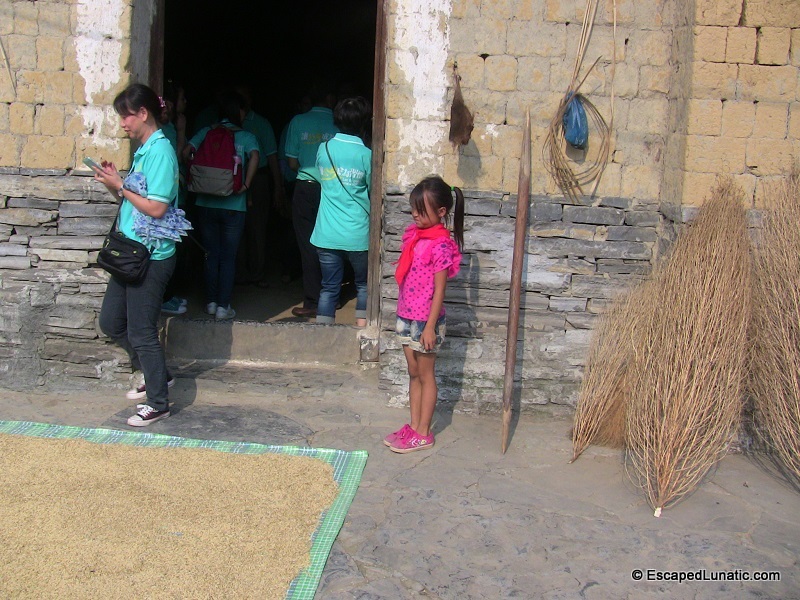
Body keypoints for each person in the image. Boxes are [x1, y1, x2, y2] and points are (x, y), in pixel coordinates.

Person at [91, 83, 180, 427]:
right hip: (131, 254)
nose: (123, 124)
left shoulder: (160, 152)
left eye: (126, 116)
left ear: (143, 114)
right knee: (111, 322)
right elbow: (137, 205)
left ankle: (158, 402)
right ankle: (157, 372)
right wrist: (118, 184)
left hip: (151, 257)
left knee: (142, 332)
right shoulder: (146, 150)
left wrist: (120, 187)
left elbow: (156, 208)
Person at [385, 176, 465, 453]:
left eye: (422, 211)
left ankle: (423, 431)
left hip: (425, 321)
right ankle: (413, 424)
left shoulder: (440, 245)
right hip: (407, 316)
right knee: (413, 372)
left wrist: (430, 326)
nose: (416, 216)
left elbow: (439, 291)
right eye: (414, 210)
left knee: (426, 374)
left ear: (441, 212)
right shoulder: (416, 238)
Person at [184, 90, 260, 320]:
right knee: (228, 256)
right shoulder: (246, 137)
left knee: (211, 254)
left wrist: (196, 177)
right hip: (233, 204)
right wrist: (246, 185)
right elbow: (255, 156)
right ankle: (223, 306)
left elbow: (186, 151)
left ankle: (210, 302)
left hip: (205, 201)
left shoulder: (207, 131)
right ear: (238, 112)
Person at [311, 96, 372, 327]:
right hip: (358, 233)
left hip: (327, 232)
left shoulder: (323, 149)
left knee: (329, 287)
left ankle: (324, 335)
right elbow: (373, 191)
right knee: (364, 286)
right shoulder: (367, 155)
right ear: (363, 122)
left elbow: (321, 179)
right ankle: (361, 336)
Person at [284, 79, 339, 318]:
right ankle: (332, 297)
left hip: (305, 188)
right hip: (333, 189)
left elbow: (292, 162)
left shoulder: (297, 122)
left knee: (308, 245)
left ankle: (312, 300)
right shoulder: (339, 123)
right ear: (330, 100)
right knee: (331, 243)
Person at [234, 83, 285, 287]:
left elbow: (272, 157)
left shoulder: (260, 124)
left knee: (257, 228)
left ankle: (257, 273)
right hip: (233, 180)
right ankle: (239, 274)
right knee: (236, 228)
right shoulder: (225, 125)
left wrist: (278, 187)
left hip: (257, 180)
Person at [159, 79, 189, 316]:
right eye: (181, 99)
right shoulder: (167, 130)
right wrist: (181, 131)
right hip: (165, 200)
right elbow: (178, 159)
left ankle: (167, 294)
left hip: (174, 196)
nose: (185, 103)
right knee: (166, 246)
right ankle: (164, 297)